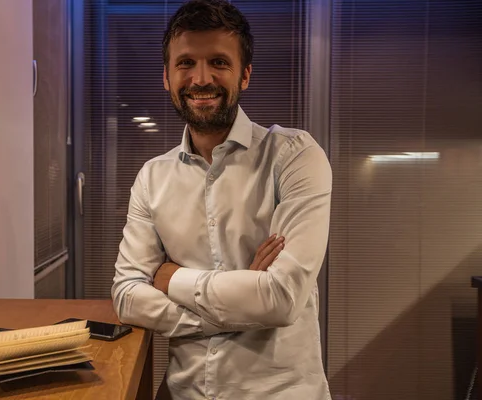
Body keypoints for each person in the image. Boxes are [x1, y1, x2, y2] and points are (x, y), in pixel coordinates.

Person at [111, 0, 332, 398]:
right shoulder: (152, 177)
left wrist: (171, 277)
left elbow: (281, 300)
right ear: (166, 76)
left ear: (244, 75)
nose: (200, 78)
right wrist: (238, 305)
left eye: (218, 62)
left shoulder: (295, 156)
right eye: (185, 64)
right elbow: (127, 295)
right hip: (184, 391)